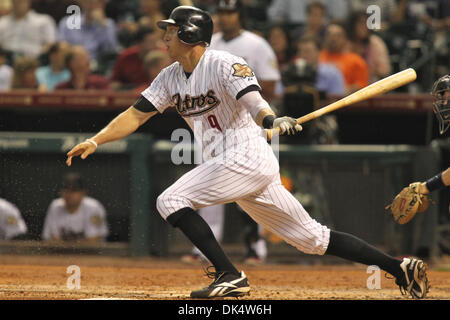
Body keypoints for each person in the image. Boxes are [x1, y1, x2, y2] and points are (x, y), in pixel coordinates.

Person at [65, 5, 429, 299]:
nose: (165, 36)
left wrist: (270, 118)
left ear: (190, 34)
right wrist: (97, 139)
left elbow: (254, 100)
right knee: (313, 239)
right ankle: (400, 267)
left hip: (245, 154)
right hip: (232, 165)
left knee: (170, 200)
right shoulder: (170, 76)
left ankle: (230, 274)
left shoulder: (224, 63)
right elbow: (136, 114)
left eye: (172, 30)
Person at [184, 0, 281, 265]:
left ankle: (254, 249)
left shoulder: (256, 44)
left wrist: (240, 98)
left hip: (246, 126)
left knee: (249, 193)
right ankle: (203, 249)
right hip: (211, 128)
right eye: (222, 13)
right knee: (207, 189)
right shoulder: (207, 43)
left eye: (231, 13)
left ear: (240, 15)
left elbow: (270, 86)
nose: (226, 18)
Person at [42, 173, 109, 242]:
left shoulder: (93, 207)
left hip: (90, 252)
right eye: (66, 189)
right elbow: (50, 239)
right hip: (61, 252)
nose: (68, 194)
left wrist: (68, 247)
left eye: (74, 190)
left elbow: (95, 239)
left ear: (83, 193)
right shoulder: (55, 207)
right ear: (61, 192)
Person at [319, 22, 369, 94]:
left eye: (338, 36)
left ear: (345, 39)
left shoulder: (356, 61)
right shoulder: (318, 57)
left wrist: (337, 90)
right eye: (330, 35)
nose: (333, 39)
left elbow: (362, 86)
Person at [110, 26, 166, 91]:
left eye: (156, 41)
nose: (155, 45)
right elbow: (114, 84)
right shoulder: (126, 57)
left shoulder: (164, 56)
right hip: (131, 95)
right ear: (139, 43)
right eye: (150, 42)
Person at [346, 11, 391, 83]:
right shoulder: (345, 43)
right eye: (361, 23)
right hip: (349, 86)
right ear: (352, 25)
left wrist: (368, 69)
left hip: (372, 85)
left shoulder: (375, 43)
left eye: (367, 23)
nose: (364, 26)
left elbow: (385, 71)